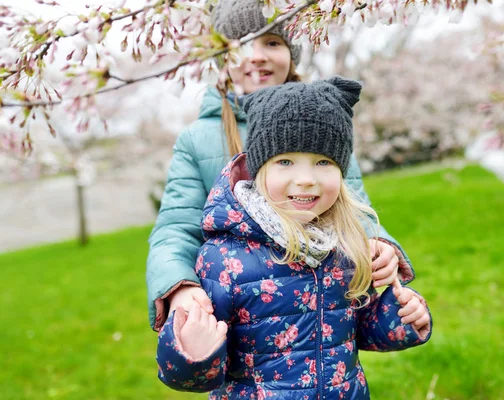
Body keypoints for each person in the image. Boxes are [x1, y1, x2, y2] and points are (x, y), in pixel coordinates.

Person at [146, 0, 414, 332]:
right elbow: (176, 227)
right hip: (241, 308)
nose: (257, 55)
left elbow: (353, 206)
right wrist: (180, 284)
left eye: (272, 42)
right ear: (221, 59)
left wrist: (379, 244)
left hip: (319, 301)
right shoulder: (198, 139)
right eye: (241, 44)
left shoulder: (324, 122)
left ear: (291, 52)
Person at [156, 77, 432, 399]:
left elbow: (353, 329)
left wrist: (397, 316)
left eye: (323, 162)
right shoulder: (224, 260)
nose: (305, 180)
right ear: (259, 171)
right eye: (285, 162)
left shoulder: (344, 245)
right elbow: (198, 376)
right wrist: (192, 350)